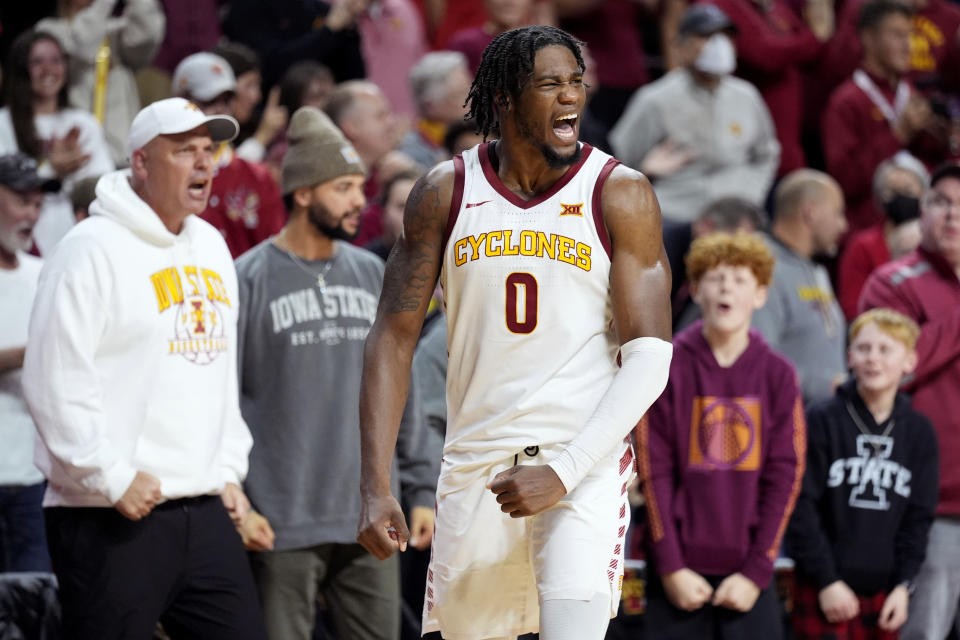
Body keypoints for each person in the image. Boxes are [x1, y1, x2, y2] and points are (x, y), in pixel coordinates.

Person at [357, 25, 673, 639]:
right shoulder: (444, 192)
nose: (570, 98)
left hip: (580, 459)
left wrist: (565, 469)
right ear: (503, 97)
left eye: (576, 82)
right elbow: (392, 336)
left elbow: (651, 357)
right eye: (550, 84)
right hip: (476, 458)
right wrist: (375, 485)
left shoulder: (620, 193)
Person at [21, 97, 267, 639]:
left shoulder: (210, 245)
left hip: (203, 507)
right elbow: (53, 379)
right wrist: (110, 476)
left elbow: (218, 374)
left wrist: (227, 469)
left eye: (209, 150)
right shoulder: (88, 249)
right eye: (185, 151)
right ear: (141, 162)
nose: (204, 164)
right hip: (109, 512)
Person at [236, 106, 435, 640]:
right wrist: (240, 500)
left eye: (358, 187)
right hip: (280, 516)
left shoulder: (371, 271)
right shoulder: (247, 278)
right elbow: (221, 402)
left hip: (370, 511)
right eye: (343, 188)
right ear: (303, 194)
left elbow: (405, 392)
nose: (358, 202)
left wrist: (419, 487)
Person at [639, 232, 805, 639]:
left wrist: (757, 570)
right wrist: (672, 566)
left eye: (741, 279)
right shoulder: (667, 367)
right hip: (677, 574)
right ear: (695, 290)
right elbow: (652, 470)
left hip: (747, 577)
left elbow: (785, 476)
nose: (727, 286)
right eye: (715, 278)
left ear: (761, 295)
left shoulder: (779, 375)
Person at [787, 308, 938, 639]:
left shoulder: (919, 433)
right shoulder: (822, 419)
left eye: (886, 350)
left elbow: (918, 519)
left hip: (884, 595)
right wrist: (826, 580)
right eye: (864, 348)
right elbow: (800, 507)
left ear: (909, 361)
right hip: (823, 587)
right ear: (849, 356)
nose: (873, 359)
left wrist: (903, 587)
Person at [859, 162, 960, 639]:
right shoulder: (893, 283)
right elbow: (894, 370)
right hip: (932, 503)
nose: (952, 216)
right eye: (941, 202)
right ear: (923, 211)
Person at [610, 4, 780, 224]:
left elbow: (766, 154)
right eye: (706, 36)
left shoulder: (746, 96)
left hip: (735, 217)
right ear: (681, 46)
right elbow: (616, 161)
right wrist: (645, 171)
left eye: (725, 37)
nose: (718, 44)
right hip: (673, 217)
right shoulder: (655, 100)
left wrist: (751, 192)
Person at [822, 0, 942, 233]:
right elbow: (845, 180)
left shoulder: (911, 94)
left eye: (909, 36)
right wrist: (898, 135)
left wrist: (941, 138)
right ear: (868, 38)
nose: (908, 46)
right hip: (870, 231)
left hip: (922, 225)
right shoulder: (846, 100)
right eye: (897, 35)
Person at [0, 29, 114, 255]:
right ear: (21, 69)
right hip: (18, 240)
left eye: (56, 61)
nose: (49, 70)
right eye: (37, 62)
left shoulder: (83, 123)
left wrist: (76, 176)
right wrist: (52, 168)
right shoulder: (3, 123)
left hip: (74, 236)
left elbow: (103, 186)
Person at [0, 153, 58, 574]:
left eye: (38, 204)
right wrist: (31, 351)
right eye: (22, 201)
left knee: (36, 611)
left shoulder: (44, 272)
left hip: (34, 476)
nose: (32, 215)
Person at [172, 52, 287, 258]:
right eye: (209, 100)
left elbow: (275, 254)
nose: (220, 109)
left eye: (226, 100)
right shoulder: (164, 174)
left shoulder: (258, 177)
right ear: (180, 101)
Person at [752, 169, 848, 406]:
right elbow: (754, 357)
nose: (843, 225)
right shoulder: (761, 264)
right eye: (838, 213)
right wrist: (824, 387)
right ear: (811, 213)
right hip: (781, 421)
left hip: (819, 423)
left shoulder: (817, 269)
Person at [35, 0, 165, 167]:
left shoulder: (114, 32)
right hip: (75, 155)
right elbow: (82, 44)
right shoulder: (50, 31)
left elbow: (148, 34)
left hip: (120, 155)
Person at [837, 152, 927, 321]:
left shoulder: (937, 242)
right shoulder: (862, 245)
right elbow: (852, 306)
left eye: (907, 190)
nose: (900, 196)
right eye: (891, 191)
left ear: (924, 193)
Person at [399, 51, 472, 169]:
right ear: (430, 106)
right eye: (461, 95)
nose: (472, 100)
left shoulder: (487, 136)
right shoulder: (410, 157)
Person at [365, 168, 422, 261]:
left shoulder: (447, 261)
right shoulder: (364, 265)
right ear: (383, 211)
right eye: (402, 206)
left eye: (421, 207)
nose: (412, 216)